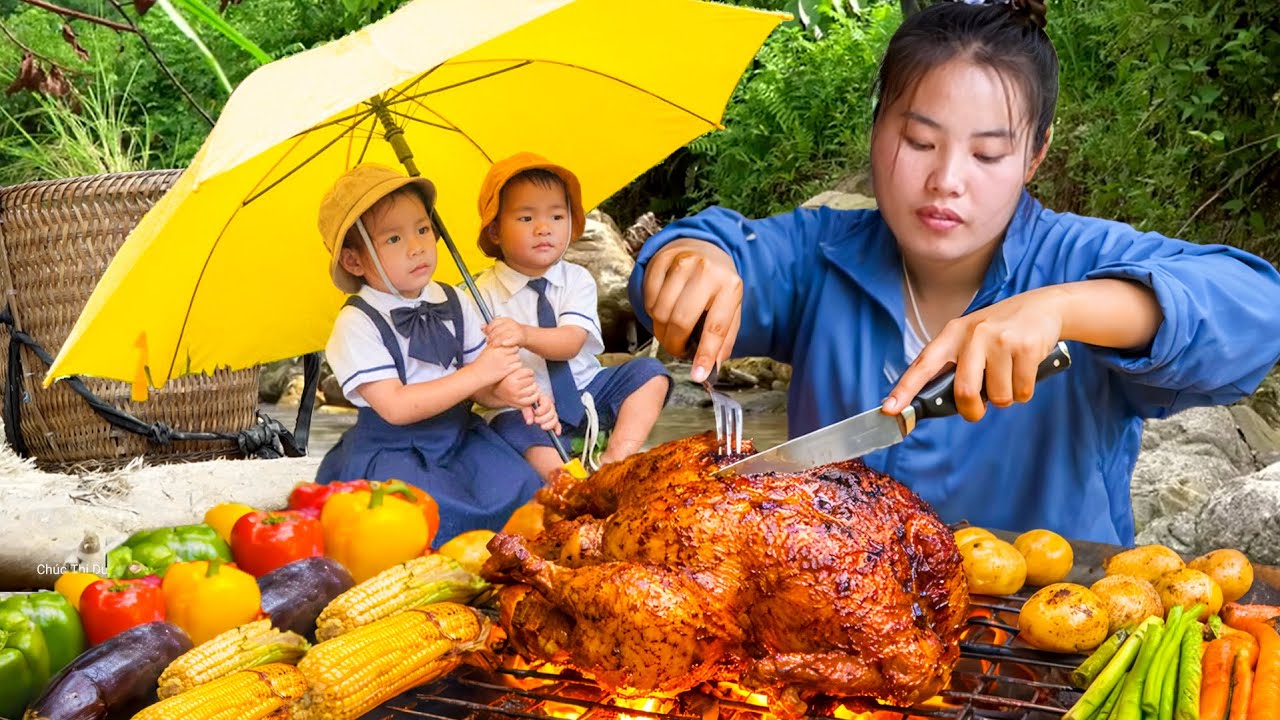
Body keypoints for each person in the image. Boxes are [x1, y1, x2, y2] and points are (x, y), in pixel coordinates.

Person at [628, 0, 1280, 544]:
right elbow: (726, 245)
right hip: (835, 631)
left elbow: (1256, 308)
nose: (947, 181)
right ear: (877, 125)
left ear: (1035, 155)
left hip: (1040, 657)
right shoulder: (819, 254)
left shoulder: (1078, 259)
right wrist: (689, 261)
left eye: (989, 153)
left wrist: (1067, 309)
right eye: (919, 142)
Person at [315, 163, 557, 544]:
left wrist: (507, 392)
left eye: (423, 229)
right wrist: (478, 374)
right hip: (395, 449)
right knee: (421, 512)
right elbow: (395, 406)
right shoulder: (357, 322)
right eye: (393, 239)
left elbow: (480, 388)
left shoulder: (452, 298)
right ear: (354, 261)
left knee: (522, 488)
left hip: (459, 436)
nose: (417, 247)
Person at [472, 152, 671, 479]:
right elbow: (475, 375)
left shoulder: (577, 279)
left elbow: (571, 341)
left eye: (556, 217)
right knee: (508, 425)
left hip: (588, 389)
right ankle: (566, 483)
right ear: (494, 231)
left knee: (650, 373)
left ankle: (616, 461)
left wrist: (523, 334)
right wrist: (503, 390)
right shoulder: (479, 295)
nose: (543, 229)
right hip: (525, 408)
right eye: (525, 219)